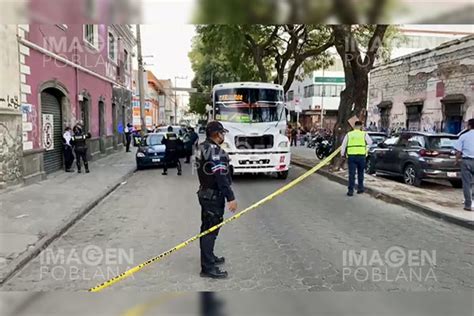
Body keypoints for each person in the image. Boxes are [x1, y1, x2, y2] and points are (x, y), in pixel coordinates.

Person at [196, 121, 238, 279]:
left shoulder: (202, 147)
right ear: (216, 134)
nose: (223, 136)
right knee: (210, 232)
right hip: (213, 196)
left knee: (207, 228)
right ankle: (207, 268)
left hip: (205, 193)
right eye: (222, 133)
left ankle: (209, 257)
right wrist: (231, 197)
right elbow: (221, 177)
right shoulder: (215, 151)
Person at [341, 121, 373, 196]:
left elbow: (343, 145)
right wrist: (366, 150)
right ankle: (360, 189)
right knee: (360, 173)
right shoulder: (364, 134)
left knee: (351, 174)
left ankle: (350, 191)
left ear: (354, 126)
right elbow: (370, 142)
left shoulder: (349, 134)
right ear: (361, 126)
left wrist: (342, 154)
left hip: (351, 156)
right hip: (361, 156)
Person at [455, 118, 474, 211]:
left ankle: (468, 205)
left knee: (467, 184)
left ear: (469, 126)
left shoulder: (463, 136)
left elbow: (458, 151)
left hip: (466, 161)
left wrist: (457, 160)